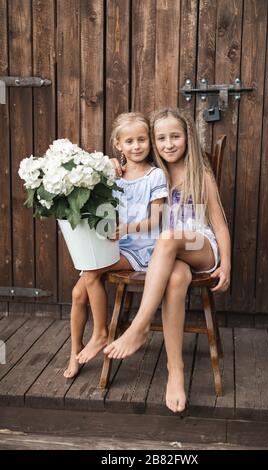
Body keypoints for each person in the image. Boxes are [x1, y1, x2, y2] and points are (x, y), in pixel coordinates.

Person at [104, 107, 231, 412]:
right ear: (152, 141)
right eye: (161, 138)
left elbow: (220, 223)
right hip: (169, 253)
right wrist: (113, 165)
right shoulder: (151, 173)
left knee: (167, 237)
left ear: (187, 137)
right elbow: (122, 161)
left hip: (201, 246)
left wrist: (226, 263)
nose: (169, 143)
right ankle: (176, 372)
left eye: (175, 136)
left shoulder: (199, 173)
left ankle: (139, 326)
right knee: (174, 279)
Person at [63, 112, 168, 378]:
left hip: (141, 248)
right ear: (118, 145)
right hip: (115, 246)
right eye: (129, 141)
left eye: (142, 140)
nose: (136, 146)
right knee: (77, 294)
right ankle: (75, 351)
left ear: (150, 142)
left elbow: (156, 220)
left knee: (90, 272)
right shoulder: (113, 174)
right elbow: (81, 175)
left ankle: (100, 333)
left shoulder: (155, 176)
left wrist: (127, 228)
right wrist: (106, 164)